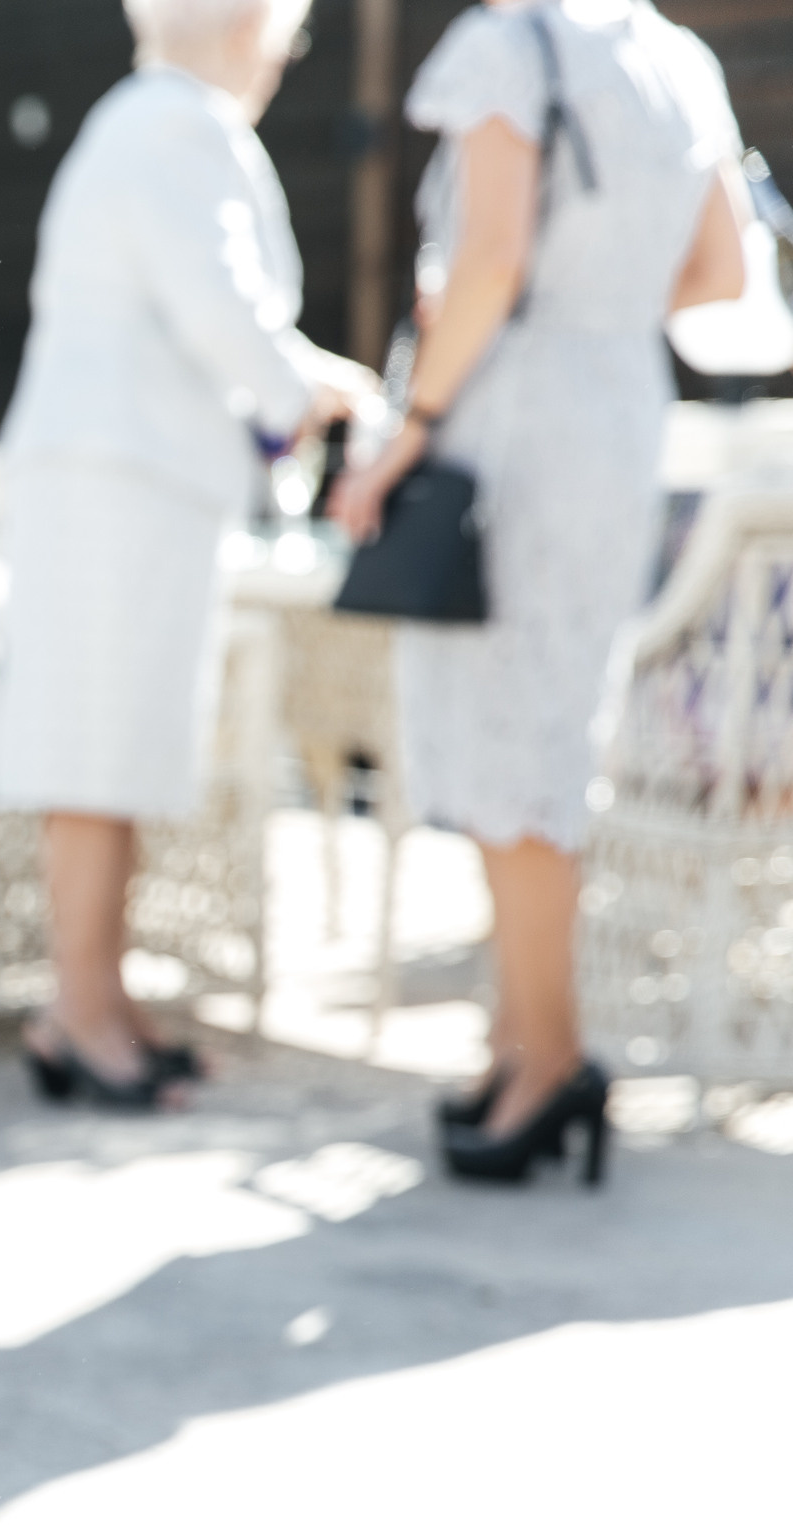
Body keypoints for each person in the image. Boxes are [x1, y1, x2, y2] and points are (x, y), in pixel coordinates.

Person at [329, 0, 748, 1182]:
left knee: (510, 744)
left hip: (515, 421)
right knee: (546, 721)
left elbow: (491, 260)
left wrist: (404, 433)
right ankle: (517, 1043)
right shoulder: (679, 62)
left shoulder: (507, 46)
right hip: (619, 410)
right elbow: (717, 272)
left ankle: (552, 1061)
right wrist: (601, 309)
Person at [0, 0, 381, 1106]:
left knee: (119, 751)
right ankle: (77, 1007)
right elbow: (221, 310)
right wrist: (316, 387)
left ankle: (97, 1003)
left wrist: (297, 383)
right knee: (93, 753)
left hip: (129, 482)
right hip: (120, 483)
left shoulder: (148, 121)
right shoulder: (172, 123)